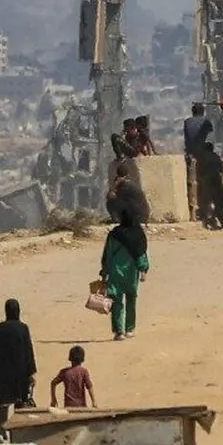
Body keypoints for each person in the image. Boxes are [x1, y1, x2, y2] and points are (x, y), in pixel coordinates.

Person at [0, 299, 37, 444]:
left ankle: (1, 432)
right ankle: (17, 434)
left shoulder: (0, 328)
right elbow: (28, 351)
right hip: (20, 374)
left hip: (2, 374)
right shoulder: (23, 328)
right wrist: (30, 373)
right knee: (20, 403)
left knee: (2, 405)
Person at [101, 209, 150, 340]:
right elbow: (141, 254)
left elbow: (108, 254)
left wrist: (104, 272)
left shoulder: (114, 234)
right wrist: (143, 270)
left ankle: (119, 332)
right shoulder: (138, 234)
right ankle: (129, 329)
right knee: (131, 300)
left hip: (115, 272)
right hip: (131, 273)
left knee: (116, 301)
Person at [106, 136, 150, 224]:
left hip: (139, 217)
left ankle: (117, 220)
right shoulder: (129, 185)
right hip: (140, 215)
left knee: (111, 202)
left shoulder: (126, 187)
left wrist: (115, 184)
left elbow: (110, 196)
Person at [184, 103, 215, 221]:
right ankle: (207, 211)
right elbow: (211, 140)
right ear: (203, 111)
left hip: (191, 156)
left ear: (193, 112)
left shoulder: (187, 122)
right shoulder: (206, 122)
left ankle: (194, 211)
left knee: (192, 184)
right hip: (204, 155)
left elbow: (187, 140)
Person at [195, 142, 223, 230]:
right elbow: (222, 167)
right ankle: (216, 220)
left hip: (205, 182)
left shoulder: (201, 158)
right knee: (221, 202)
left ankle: (210, 220)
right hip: (215, 181)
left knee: (207, 203)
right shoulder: (214, 156)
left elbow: (198, 170)